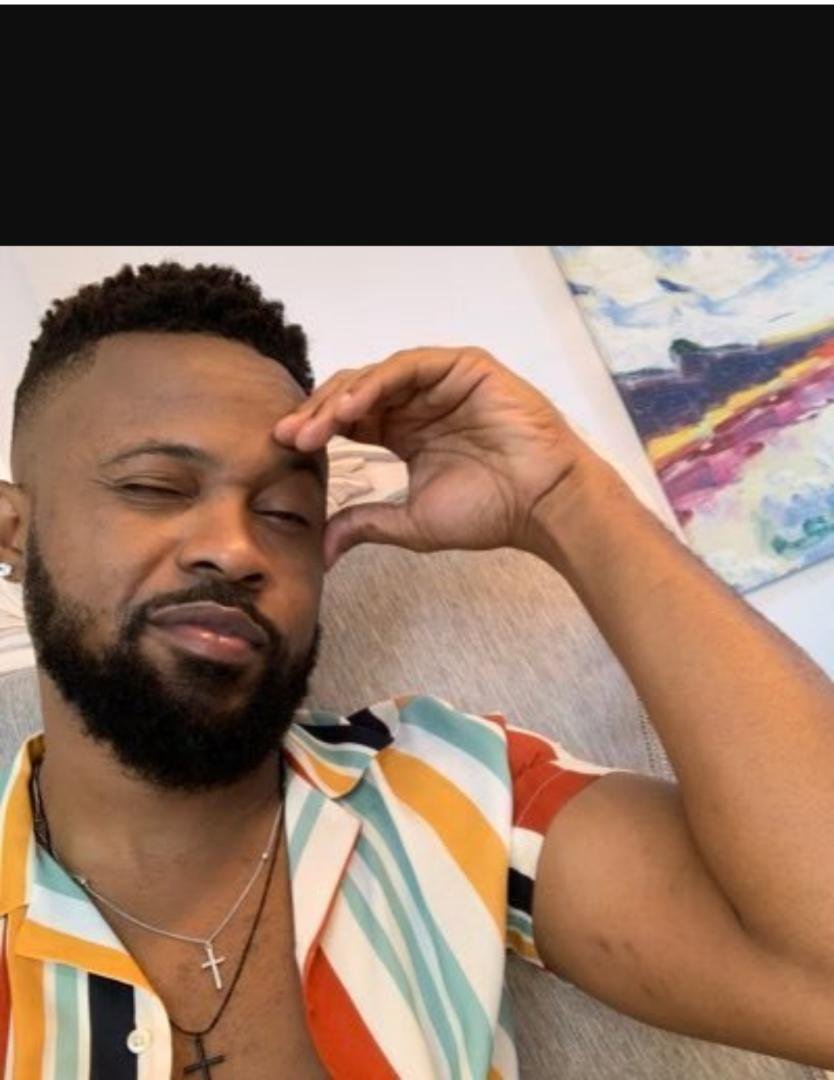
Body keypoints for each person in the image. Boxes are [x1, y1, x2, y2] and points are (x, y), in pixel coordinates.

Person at [0, 261, 832, 1079]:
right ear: (13, 532)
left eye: (287, 512)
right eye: (154, 486)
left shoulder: (446, 788)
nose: (236, 547)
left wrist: (567, 496)